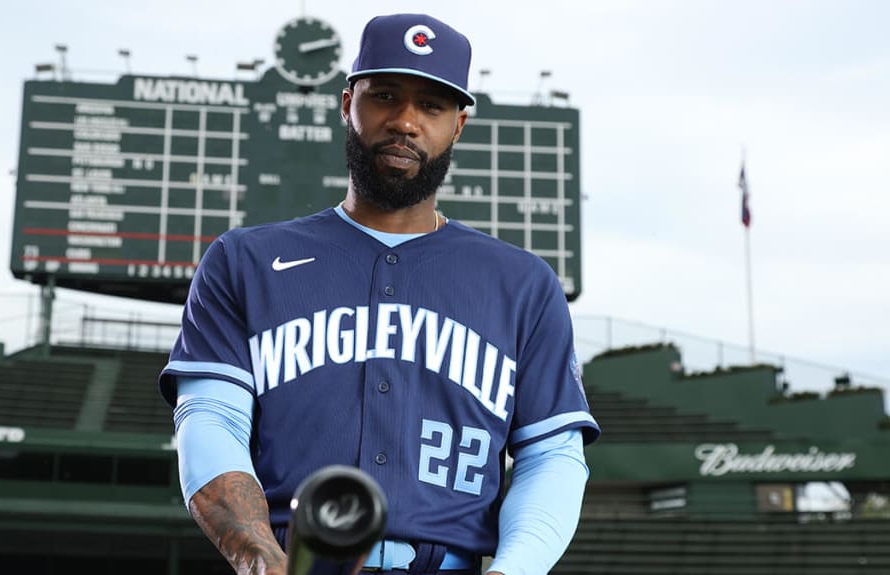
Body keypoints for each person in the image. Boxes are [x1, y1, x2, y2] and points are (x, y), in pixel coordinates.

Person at [159, 13, 600, 575]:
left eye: (432, 106)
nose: (406, 122)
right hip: (296, 562)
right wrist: (258, 556)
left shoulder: (523, 284)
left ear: (458, 125)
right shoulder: (243, 260)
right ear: (348, 103)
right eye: (385, 95)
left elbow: (551, 455)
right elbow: (210, 418)